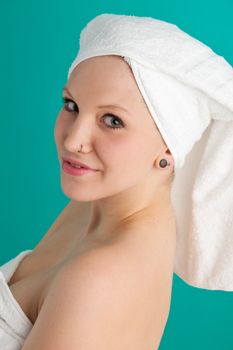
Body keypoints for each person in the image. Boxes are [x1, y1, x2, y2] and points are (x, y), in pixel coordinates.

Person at [1, 12, 232, 350]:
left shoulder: (100, 279)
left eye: (112, 120)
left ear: (169, 143)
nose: (73, 140)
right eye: (71, 105)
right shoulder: (95, 208)